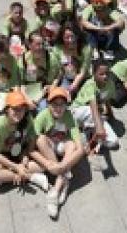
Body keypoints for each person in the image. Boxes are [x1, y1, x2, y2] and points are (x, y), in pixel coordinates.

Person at [32, 87, 85, 219]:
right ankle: (64, 182)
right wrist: (48, 164)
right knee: (40, 139)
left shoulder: (69, 116)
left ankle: (55, 191)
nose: (58, 108)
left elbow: (80, 148)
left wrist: (62, 166)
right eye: (54, 104)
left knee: (71, 145)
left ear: (66, 105)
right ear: (48, 104)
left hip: (61, 146)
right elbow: (30, 148)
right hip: (48, 147)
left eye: (62, 104)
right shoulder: (42, 116)